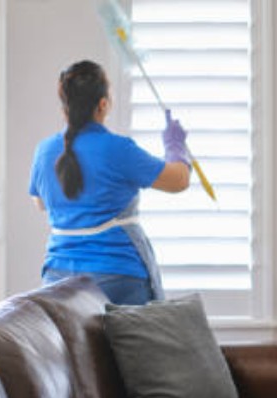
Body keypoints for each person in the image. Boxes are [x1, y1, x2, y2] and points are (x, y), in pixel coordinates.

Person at [29, 59, 192, 305]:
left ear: (65, 106)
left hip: (57, 279)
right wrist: (174, 145)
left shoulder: (44, 151)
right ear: (103, 105)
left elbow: (40, 202)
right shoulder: (118, 149)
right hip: (117, 276)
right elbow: (179, 180)